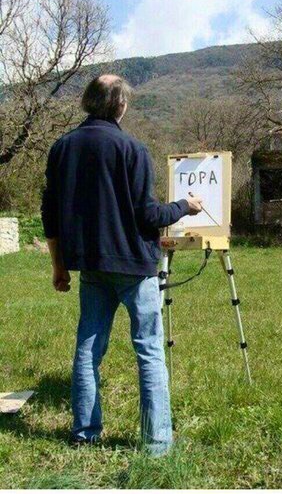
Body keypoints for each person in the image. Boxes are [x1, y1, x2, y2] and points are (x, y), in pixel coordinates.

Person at [41, 74, 203, 456]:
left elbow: (50, 214)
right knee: (149, 351)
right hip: (135, 268)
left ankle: (84, 434)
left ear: (88, 102)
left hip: (92, 268)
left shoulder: (61, 148)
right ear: (121, 105)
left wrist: (58, 266)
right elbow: (149, 215)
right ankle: (157, 444)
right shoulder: (133, 149)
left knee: (87, 350)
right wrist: (185, 206)